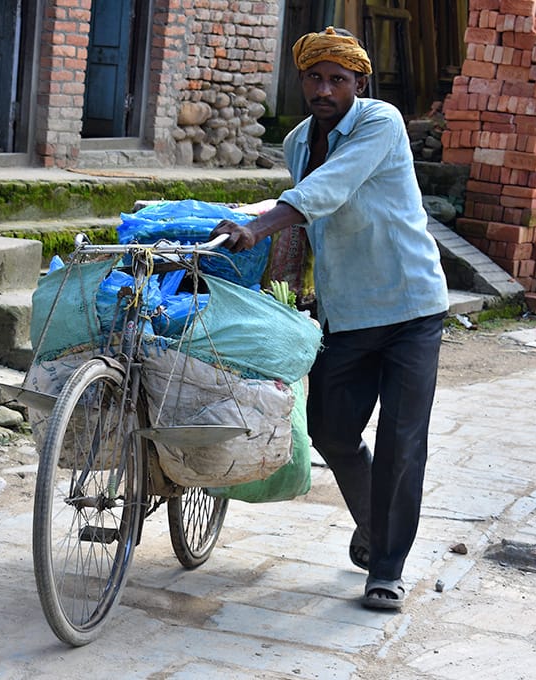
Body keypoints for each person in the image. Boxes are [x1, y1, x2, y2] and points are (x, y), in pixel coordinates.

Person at [211, 26, 449, 610]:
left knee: (400, 440)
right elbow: (306, 214)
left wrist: (259, 225)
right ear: (301, 81)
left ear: (358, 83)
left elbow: (328, 190)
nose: (324, 89)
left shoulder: (380, 122)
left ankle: (386, 568)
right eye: (314, 78)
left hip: (412, 305)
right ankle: (374, 522)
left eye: (337, 79)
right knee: (331, 431)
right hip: (347, 313)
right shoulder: (296, 141)